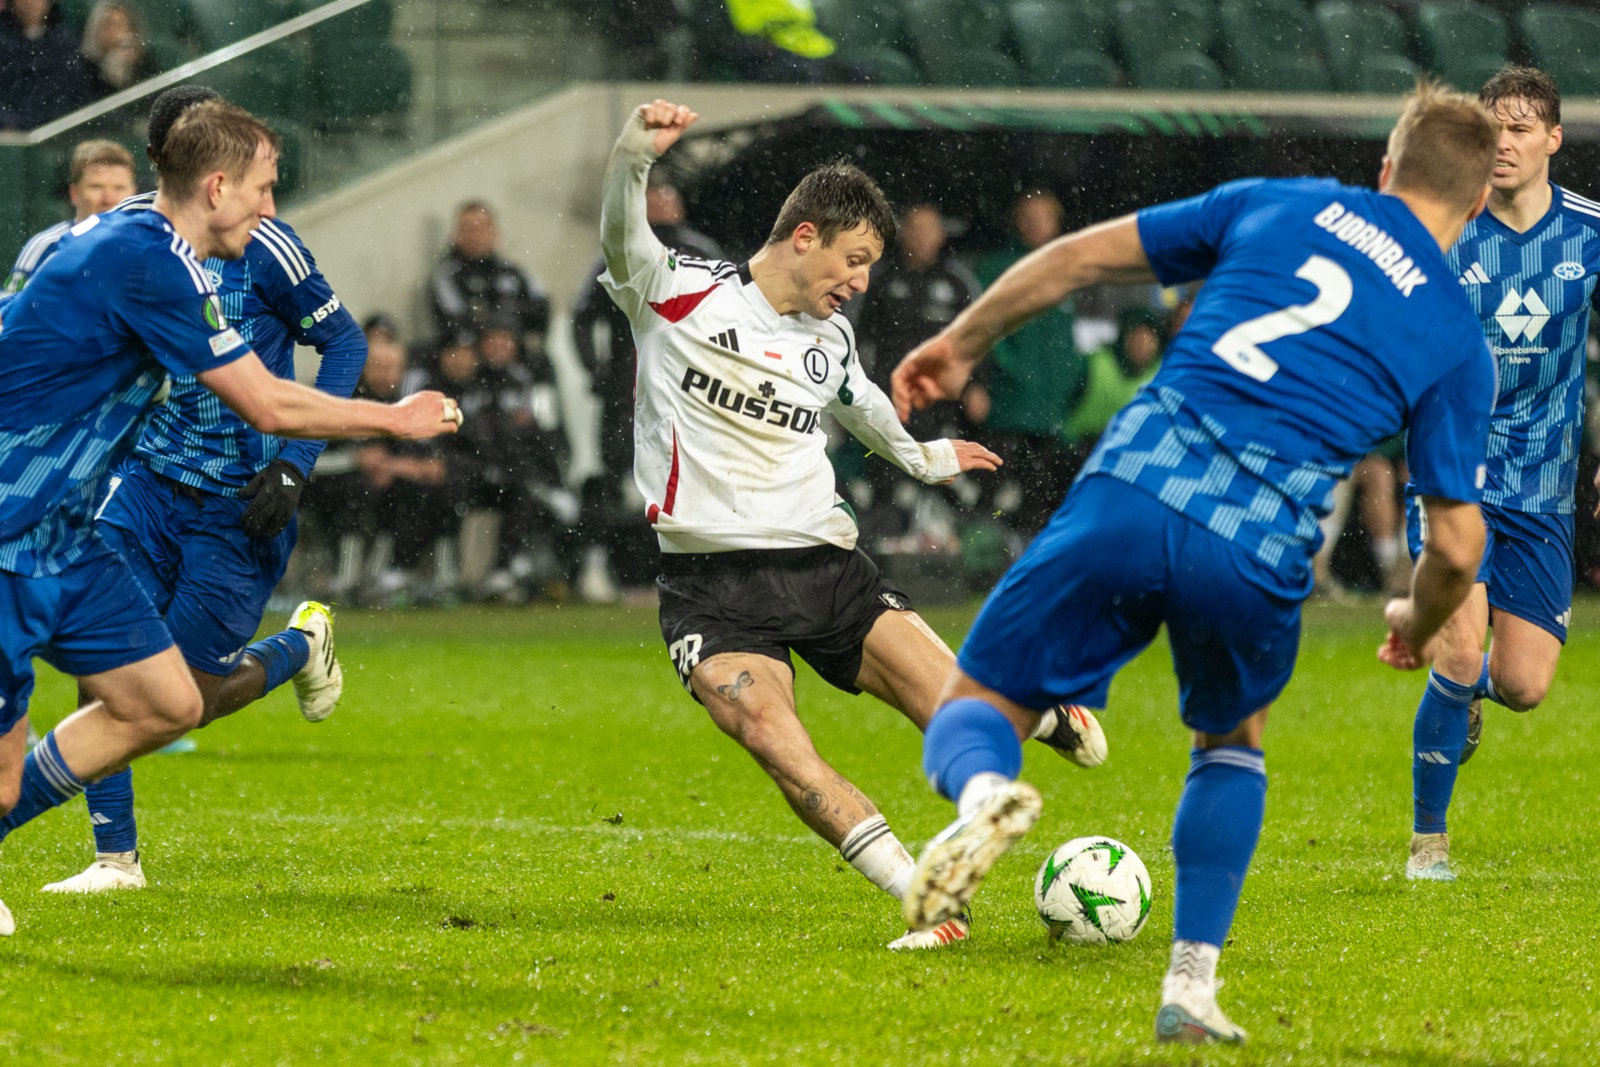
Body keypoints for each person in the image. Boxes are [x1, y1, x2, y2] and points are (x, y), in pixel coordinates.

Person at [891, 82, 1498, 1042]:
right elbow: (1459, 545)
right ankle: (1190, 984)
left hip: (1135, 486)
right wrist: (1414, 625)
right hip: (1256, 539)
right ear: (1471, 209)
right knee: (1229, 742)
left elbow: (1077, 256)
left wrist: (961, 345)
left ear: (1385, 167)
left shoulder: (1283, 201)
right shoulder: (1457, 338)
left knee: (978, 701)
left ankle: (981, 795)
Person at [601, 99, 1108, 952]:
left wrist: (926, 458)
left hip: (827, 567)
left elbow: (867, 409)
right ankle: (929, 898)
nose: (864, 280)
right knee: (775, 740)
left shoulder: (828, 338)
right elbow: (621, 232)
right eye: (857, 258)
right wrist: (632, 155)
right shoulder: (675, 292)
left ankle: (1025, 734)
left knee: (947, 702)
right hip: (714, 591)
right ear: (806, 235)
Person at [0, 98, 462, 935]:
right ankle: (107, 854)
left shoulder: (154, 251)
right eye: (264, 187)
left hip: (66, 534)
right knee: (11, 770)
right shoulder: (146, 261)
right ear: (217, 187)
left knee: (171, 703)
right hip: (11, 527)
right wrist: (395, 420)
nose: (271, 207)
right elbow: (266, 400)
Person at [1402, 66, 1600, 882]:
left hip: (1544, 482)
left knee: (1521, 684)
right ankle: (1427, 843)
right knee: (1455, 650)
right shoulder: (1447, 228)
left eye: (1522, 128)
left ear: (1554, 138)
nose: (1505, 142)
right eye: (1494, 127)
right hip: (1454, 467)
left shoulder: (1589, 232)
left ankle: (1471, 696)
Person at [572, 170, 722, 599]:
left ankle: (701, 570)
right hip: (629, 391)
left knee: (694, 478)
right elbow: (583, 316)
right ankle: (597, 566)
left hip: (690, 393)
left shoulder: (702, 251)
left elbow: (732, 317)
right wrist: (597, 370)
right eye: (652, 194)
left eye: (666, 193)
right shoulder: (621, 253)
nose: (661, 201)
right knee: (614, 476)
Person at [300, 316, 463, 605]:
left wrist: (398, 466)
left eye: (394, 369)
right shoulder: (337, 397)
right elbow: (305, 457)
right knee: (357, 489)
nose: (387, 376)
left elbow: (423, 460)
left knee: (422, 489)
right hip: (321, 484)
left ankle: (388, 576)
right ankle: (346, 581)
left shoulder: (400, 403)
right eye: (379, 367)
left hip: (380, 484)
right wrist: (354, 459)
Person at [968, 190, 1086, 538]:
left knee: (1041, 506)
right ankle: (981, 568)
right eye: (1029, 217)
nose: (1036, 225)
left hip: (1051, 417)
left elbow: (1072, 342)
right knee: (992, 502)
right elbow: (981, 329)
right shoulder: (996, 268)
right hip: (1006, 410)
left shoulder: (1069, 272)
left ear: (1056, 222)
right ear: (1017, 221)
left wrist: (1071, 386)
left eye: (1044, 217)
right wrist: (1003, 372)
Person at [3, 138, 136, 294]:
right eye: (96, 187)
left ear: (134, 193)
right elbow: (8, 311)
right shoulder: (48, 246)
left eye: (119, 188)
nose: (109, 199)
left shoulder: (154, 244)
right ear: (74, 194)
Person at [429, 200, 551, 352]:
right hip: (475, 360)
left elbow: (541, 309)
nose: (476, 235)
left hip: (516, 354)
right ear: (456, 235)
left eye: (482, 227)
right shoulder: (447, 276)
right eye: (469, 229)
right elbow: (455, 324)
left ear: (495, 232)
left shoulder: (514, 271)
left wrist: (498, 319)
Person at [0, 0, 99, 129]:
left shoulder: (66, 44)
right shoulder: (3, 42)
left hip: (58, 134)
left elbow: (78, 92)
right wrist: (8, 122)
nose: (31, 3)